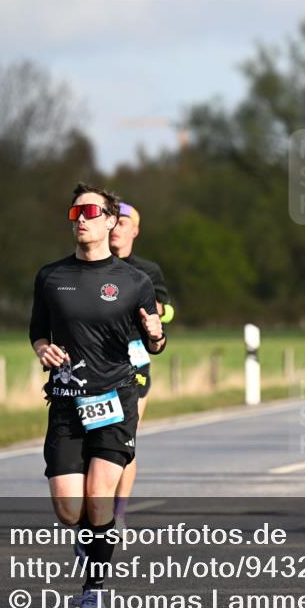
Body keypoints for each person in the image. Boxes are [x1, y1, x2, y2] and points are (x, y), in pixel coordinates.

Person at [30, 183, 166, 608]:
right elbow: (37, 330)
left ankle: (94, 586)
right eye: (74, 214)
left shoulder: (135, 281)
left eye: (89, 211)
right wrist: (41, 350)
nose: (81, 219)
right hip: (67, 401)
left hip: (115, 398)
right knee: (71, 510)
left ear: (110, 220)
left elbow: (156, 344)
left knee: (99, 494)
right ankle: (91, 533)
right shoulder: (51, 276)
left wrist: (156, 333)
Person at [109, 201, 174, 529]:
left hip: (134, 358)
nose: (116, 227)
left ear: (135, 230)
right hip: (96, 359)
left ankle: (117, 514)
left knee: (125, 437)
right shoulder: (91, 266)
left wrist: (157, 310)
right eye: (113, 221)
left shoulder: (147, 271)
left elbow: (168, 310)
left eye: (124, 222)